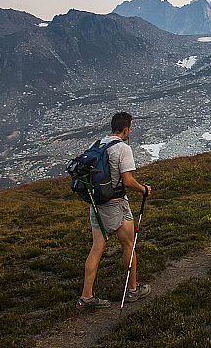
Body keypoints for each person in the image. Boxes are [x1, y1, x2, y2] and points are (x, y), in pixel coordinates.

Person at [78, 111, 153, 308]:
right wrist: (143, 189)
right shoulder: (122, 149)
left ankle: (86, 296)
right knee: (129, 245)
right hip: (116, 203)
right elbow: (127, 181)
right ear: (126, 128)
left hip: (97, 203)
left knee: (96, 249)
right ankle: (133, 290)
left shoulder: (99, 144)